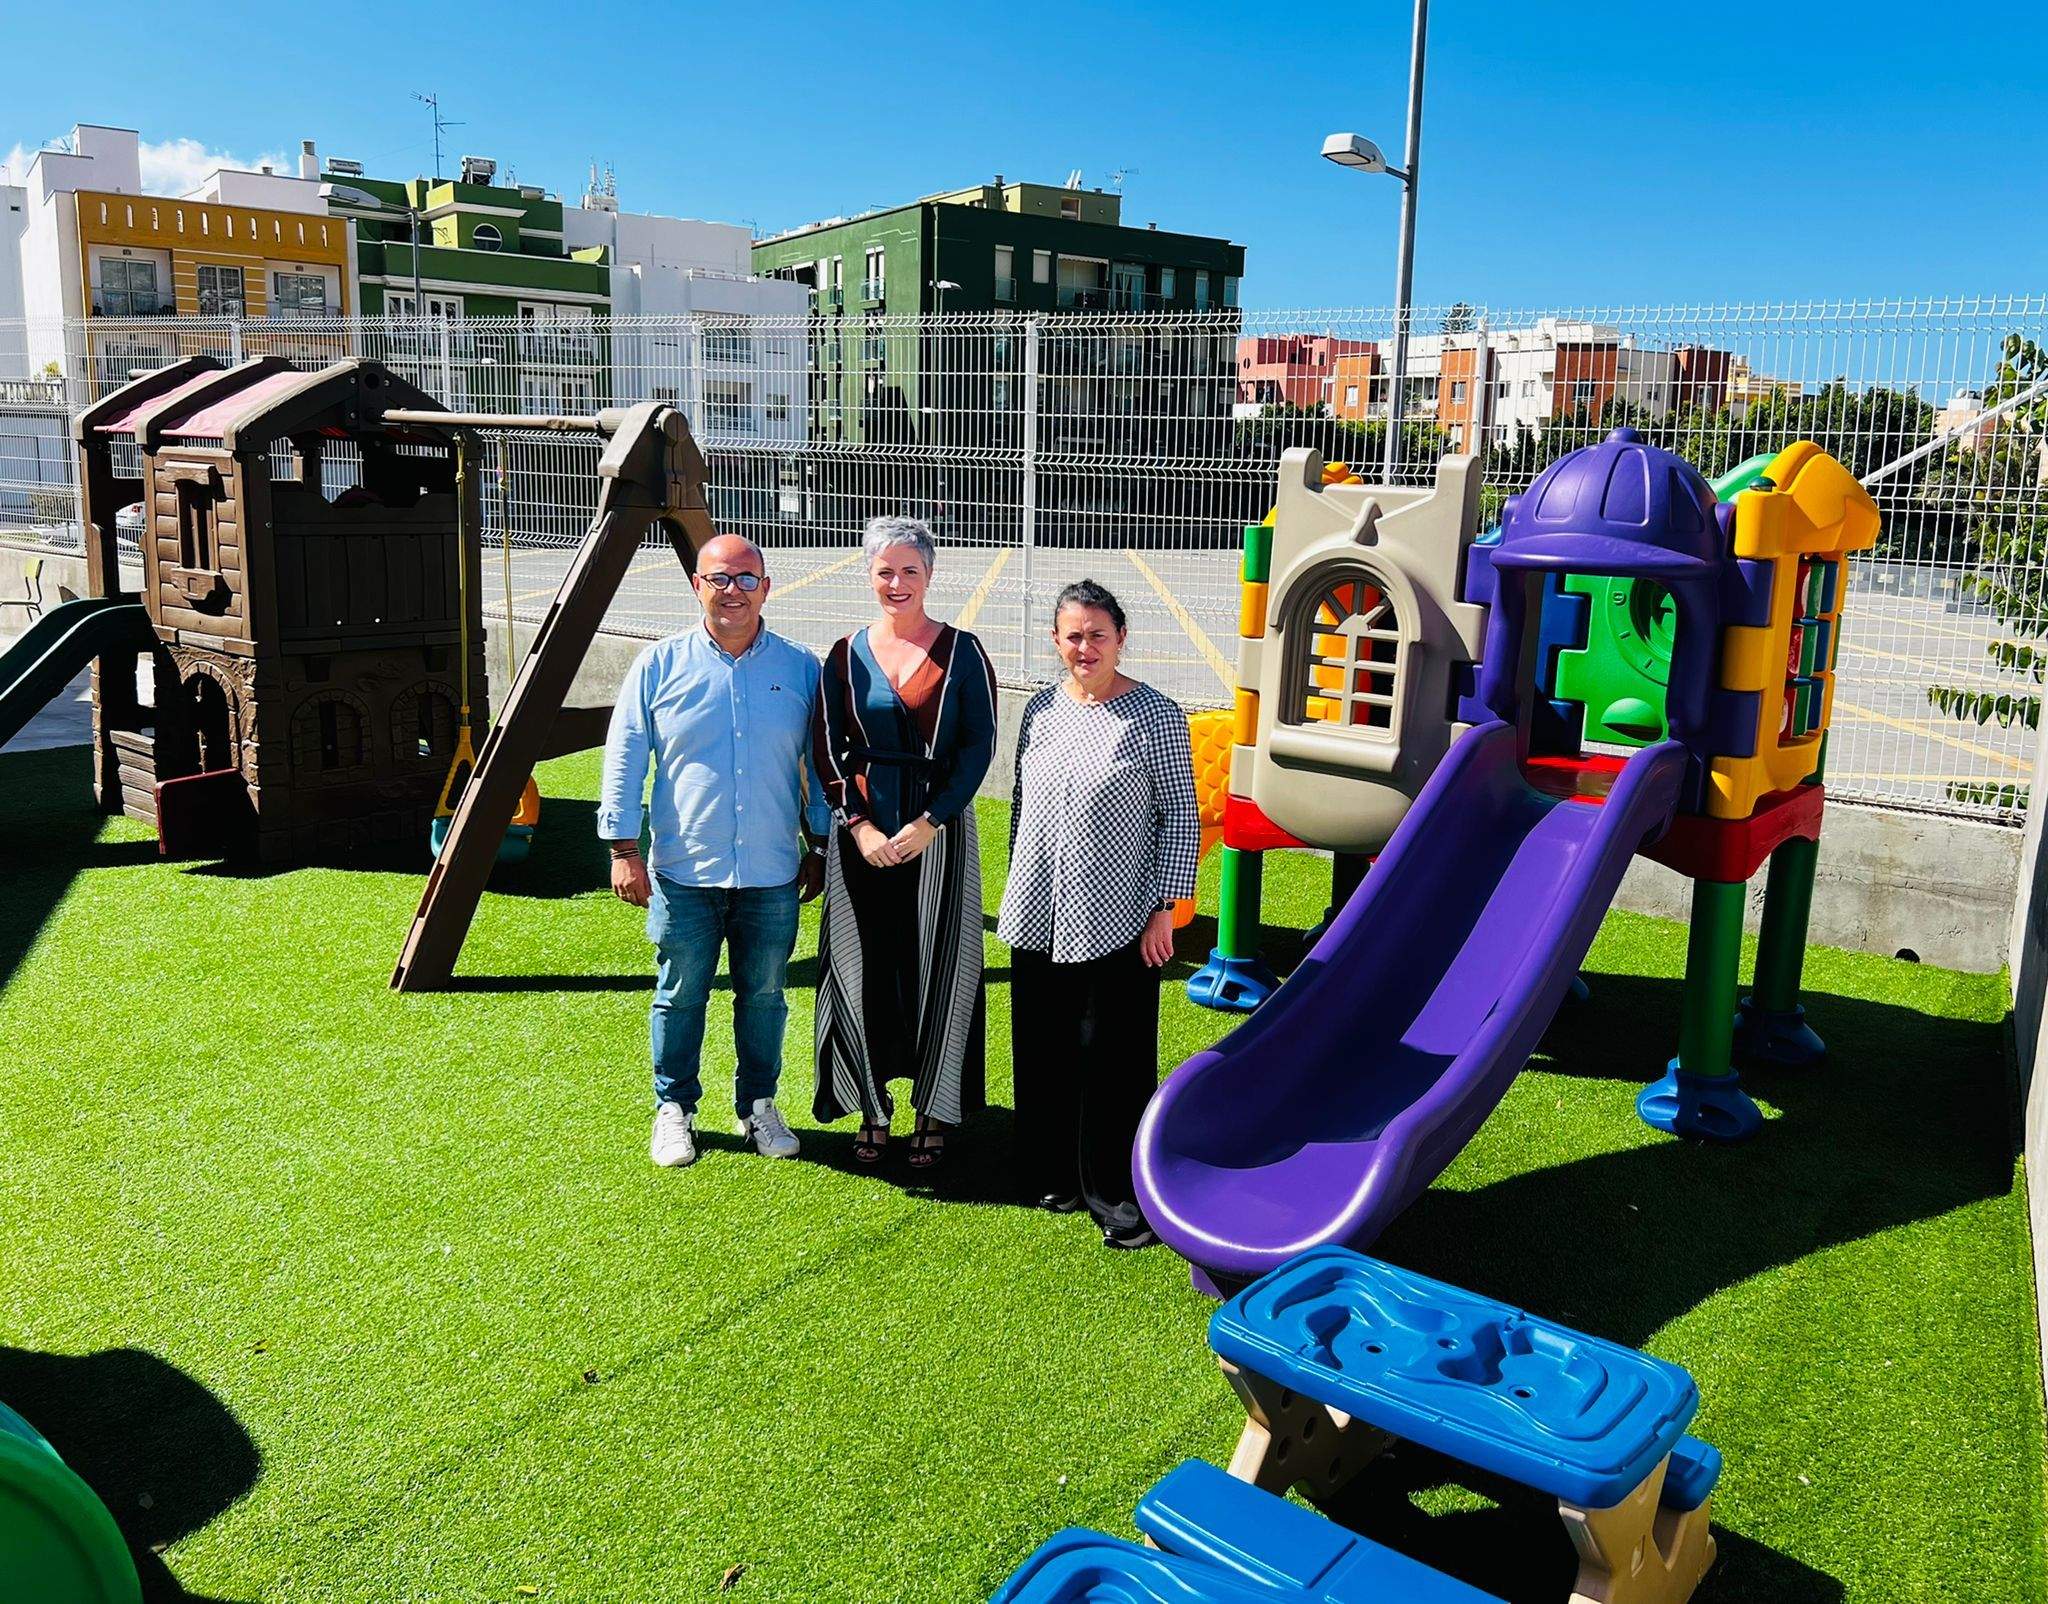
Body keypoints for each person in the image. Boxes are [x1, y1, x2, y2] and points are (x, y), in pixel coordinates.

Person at [598, 533, 829, 1169]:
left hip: (772, 871)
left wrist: (819, 841)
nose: (733, 591)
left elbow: (816, 764)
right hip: (683, 869)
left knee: (765, 995)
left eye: (747, 578)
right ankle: (675, 1108)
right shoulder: (658, 665)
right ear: (698, 586)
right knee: (680, 994)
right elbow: (626, 755)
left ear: (767, 587)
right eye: (720, 579)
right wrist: (623, 846)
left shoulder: (800, 667)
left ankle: (758, 1105)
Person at [997, 578, 1199, 1249]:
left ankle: (1117, 1194)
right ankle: (1052, 1173)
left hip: (1120, 915)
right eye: (1073, 635)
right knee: (1045, 1045)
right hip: (1038, 907)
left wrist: (1164, 909)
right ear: (1056, 641)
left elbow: (1180, 820)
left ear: (1120, 639)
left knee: (1113, 1058)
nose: (1085, 647)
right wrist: (1018, 887)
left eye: (1097, 635)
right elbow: (1024, 806)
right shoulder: (1041, 710)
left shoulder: (1156, 716)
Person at [811, 516, 999, 1171]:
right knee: (859, 970)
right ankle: (870, 1108)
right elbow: (828, 752)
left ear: (930, 575)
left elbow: (979, 747)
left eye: (909, 571)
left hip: (938, 838)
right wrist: (858, 827)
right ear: (869, 575)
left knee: (941, 969)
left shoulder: (965, 652)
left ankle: (934, 1109)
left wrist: (931, 821)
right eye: (884, 571)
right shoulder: (843, 654)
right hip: (859, 841)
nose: (897, 583)